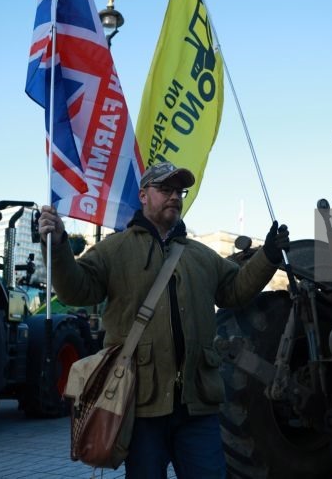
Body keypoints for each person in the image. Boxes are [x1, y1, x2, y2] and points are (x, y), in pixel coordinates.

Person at [37, 161, 289, 479]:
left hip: (197, 407)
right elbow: (75, 289)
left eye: (179, 191)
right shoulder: (114, 250)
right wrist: (58, 246)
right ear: (144, 195)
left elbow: (234, 291)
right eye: (165, 189)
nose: (174, 197)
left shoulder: (200, 255)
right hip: (141, 407)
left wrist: (267, 256)